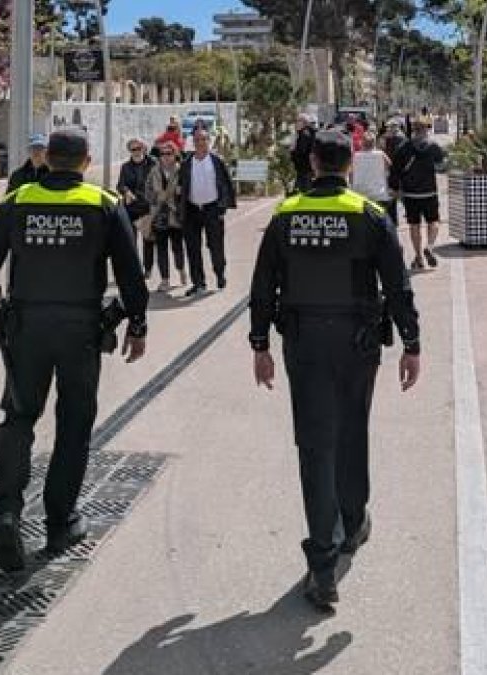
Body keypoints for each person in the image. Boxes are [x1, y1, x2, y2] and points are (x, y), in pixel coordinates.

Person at [249, 130, 421, 613]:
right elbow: (398, 286)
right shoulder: (370, 215)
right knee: (352, 431)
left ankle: (322, 564)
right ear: (349, 166)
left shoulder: (285, 215)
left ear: (312, 163)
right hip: (358, 342)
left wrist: (259, 343)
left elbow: (263, 287)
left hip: (303, 343)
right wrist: (412, 344)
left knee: (314, 444)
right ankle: (354, 519)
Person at [0, 129, 150, 572]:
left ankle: (8, 510)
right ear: (87, 161)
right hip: (81, 331)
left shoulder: (18, 200)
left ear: (47, 159)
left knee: (18, 417)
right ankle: (60, 521)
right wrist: (137, 324)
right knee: (74, 425)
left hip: (25, 329)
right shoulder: (103, 204)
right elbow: (131, 274)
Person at [178, 128, 236, 297]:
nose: (200, 143)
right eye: (197, 140)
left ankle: (219, 273)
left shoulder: (217, 161)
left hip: (212, 209)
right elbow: (181, 186)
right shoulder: (187, 163)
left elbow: (226, 185)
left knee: (215, 245)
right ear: (193, 142)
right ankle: (198, 282)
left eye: (203, 139)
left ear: (208, 141)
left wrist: (222, 208)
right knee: (193, 248)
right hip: (192, 210)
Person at [390, 118, 445, 270]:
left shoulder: (404, 147)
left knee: (414, 225)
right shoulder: (433, 146)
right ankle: (430, 246)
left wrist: (394, 188)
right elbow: (441, 165)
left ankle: (419, 257)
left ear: (413, 129)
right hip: (430, 191)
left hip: (411, 193)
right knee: (433, 221)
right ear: (426, 129)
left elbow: (395, 170)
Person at [147, 141, 187, 292]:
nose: (165, 157)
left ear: (175, 155)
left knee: (177, 247)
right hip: (159, 214)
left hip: (175, 214)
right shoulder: (154, 171)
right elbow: (148, 191)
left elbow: (187, 191)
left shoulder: (181, 171)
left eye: (169, 153)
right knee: (161, 249)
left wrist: (180, 192)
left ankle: (181, 269)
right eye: (162, 154)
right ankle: (165, 280)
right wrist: (155, 199)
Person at [117, 137, 157, 279]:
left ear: (144, 148)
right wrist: (126, 192)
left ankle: (148, 269)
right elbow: (120, 185)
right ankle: (134, 268)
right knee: (131, 241)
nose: (136, 152)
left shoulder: (153, 163)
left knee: (148, 240)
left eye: (139, 148)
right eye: (133, 149)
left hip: (146, 207)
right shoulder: (125, 167)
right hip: (131, 208)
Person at [350, 132, 392, 215]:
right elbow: (389, 165)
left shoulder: (355, 156)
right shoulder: (381, 154)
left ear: (362, 142)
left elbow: (351, 174)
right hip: (379, 194)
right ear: (374, 143)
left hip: (360, 195)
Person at [290, 113, 317, 194]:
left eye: (298, 121)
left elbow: (302, 151)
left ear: (304, 122)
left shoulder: (304, 134)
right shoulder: (309, 132)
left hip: (304, 168)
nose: (296, 123)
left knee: (302, 192)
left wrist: (293, 152)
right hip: (307, 168)